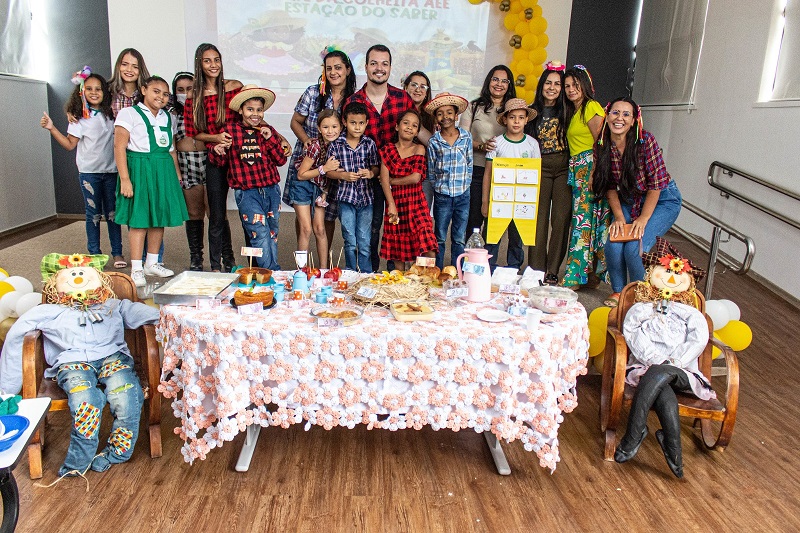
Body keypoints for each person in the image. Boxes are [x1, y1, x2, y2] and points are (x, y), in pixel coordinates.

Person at [0, 253, 159, 477]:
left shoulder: (112, 305)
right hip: (72, 363)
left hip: (113, 359)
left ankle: (117, 451)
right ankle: (78, 460)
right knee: (85, 400)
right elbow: (17, 337)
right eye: (70, 275)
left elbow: (146, 313)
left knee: (127, 394)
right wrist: (6, 387)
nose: (77, 277)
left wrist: (172, 316)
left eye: (84, 274)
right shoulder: (47, 310)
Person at [614, 253, 713, 478]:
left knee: (662, 373)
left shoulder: (691, 313)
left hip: (683, 370)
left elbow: (698, 339)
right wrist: (655, 359)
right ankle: (672, 446)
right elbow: (631, 331)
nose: (670, 279)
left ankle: (633, 435)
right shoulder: (642, 309)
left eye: (677, 274)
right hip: (646, 367)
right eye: (665, 272)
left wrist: (674, 361)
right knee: (659, 380)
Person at [592, 97, 683, 307]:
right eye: (615, 113)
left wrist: (643, 219)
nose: (619, 118)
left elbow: (656, 185)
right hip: (628, 198)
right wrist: (619, 217)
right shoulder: (602, 143)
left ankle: (638, 294)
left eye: (626, 114)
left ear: (634, 120)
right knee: (614, 242)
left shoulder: (645, 141)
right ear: (607, 116)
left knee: (634, 245)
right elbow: (608, 186)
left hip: (662, 199)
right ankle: (618, 291)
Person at [40, 68, 125, 269]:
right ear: (81, 91)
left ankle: (117, 253)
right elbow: (70, 145)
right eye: (89, 89)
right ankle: (94, 254)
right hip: (90, 174)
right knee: (93, 215)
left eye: (98, 89)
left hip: (112, 172)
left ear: (105, 92)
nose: (94, 92)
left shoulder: (112, 115)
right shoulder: (79, 118)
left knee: (113, 214)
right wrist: (52, 127)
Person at [345, 44, 414, 272]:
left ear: (391, 67)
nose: (379, 68)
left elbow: (415, 132)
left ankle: (395, 276)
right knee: (371, 231)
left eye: (384, 63)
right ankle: (372, 275)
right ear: (365, 67)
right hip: (366, 180)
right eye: (374, 63)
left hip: (399, 179)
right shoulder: (353, 102)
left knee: (399, 229)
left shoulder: (402, 98)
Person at [114, 76, 189, 287]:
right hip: (139, 168)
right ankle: (136, 267)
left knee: (159, 217)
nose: (161, 97)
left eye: (165, 94)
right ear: (144, 89)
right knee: (139, 219)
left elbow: (171, 148)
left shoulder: (168, 117)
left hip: (162, 168)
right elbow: (119, 147)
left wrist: (176, 174)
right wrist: (125, 179)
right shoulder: (128, 114)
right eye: (156, 91)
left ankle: (152, 262)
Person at [286, 49, 357, 267]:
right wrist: (308, 140)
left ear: (347, 69)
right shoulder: (312, 92)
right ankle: (303, 266)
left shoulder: (354, 98)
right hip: (308, 161)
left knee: (326, 217)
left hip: (332, 167)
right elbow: (295, 121)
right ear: (324, 72)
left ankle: (323, 267)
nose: (334, 72)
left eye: (338, 67)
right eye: (329, 68)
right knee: (304, 219)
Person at [208, 86, 287, 270]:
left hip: (271, 190)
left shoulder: (267, 130)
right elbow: (217, 160)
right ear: (241, 110)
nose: (255, 114)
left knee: (271, 232)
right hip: (247, 193)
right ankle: (271, 272)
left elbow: (281, 160)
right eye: (250, 109)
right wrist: (218, 150)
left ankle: (269, 270)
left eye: (259, 110)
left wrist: (271, 139)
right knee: (258, 232)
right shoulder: (230, 130)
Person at [184, 43, 243, 273]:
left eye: (216, 59)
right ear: (200, 64)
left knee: (249, 210)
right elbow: (195, 133)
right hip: (215, 158)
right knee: (217, 213)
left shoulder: (234, 87)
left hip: (239, 157)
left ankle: (246, 263)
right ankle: (216, 266)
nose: (213, 65)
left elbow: (249, 115)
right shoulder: (194, 97)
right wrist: (215, 139)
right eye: (208, 61)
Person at [561, 65, 610, 290]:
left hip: (589, 169)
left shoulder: (591, 107)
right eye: (567, 85)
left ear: (585, 84)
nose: (571, 89)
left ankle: (574, 275)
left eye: (575, 84)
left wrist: (593, 174)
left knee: (582, 224)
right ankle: (590, 275)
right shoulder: (574, 110)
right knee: (587, 222)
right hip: (578, 170)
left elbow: (601, 143)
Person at [525, 61, 572, 285]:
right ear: (541, 85)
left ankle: (553, 270)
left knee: (561, 219)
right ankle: (536, 270)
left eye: (557, 84)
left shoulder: (569, 110)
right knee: (538, 219)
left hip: (564, 167)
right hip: (539, 167)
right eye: (548, 83)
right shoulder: (531, 111)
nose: (552, 87)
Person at [480, 98, 540, 271]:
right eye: (512, 117)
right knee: (492, 235)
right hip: (498, 200)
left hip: (522, 201)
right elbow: (488, 173)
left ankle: (513, 268)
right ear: (505, 119)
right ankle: (488, 268)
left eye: (521, 117)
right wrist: (485, 201)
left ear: (526, 120)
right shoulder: (496, 142)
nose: (516, 121)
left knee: (517, 236)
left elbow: (536, 176)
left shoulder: (532, 144)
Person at [460, 66, 517, 245]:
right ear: (488, 81)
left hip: (504, 173)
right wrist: (482, 146)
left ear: (509, 85)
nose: (499, 84)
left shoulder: (512, 110)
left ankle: (489, 263)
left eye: (504, 81)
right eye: (495, 79)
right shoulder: (474, 106)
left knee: (496, 222)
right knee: (474, 220)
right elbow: (462, 139)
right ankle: (469, 262)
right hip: (477, 170)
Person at [379, 109, 438, 268]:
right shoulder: (387, 150)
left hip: (416, 203)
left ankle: (425, 278)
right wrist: (391, 204)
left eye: (414, 126)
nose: (409, 127)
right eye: (406, 123)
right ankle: (402, 286)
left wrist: (393, 180)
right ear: (397, 126)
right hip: (396, 203)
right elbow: (383, 180)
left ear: (417, 132)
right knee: (399, 250)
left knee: (427, 244)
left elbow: (415, 177)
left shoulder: (419, 149)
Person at [326, 102, 380, 272]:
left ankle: (365, 274)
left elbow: (376, 167)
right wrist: (343, 175)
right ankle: (350, 272)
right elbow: (328, 172)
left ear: (367, 123)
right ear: (344, 122)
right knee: (350, 238)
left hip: (366, 199)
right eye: (353, 123)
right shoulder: (336, 145)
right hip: (345, 199)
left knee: (364, 239)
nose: (357, 127)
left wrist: (370, 173)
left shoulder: (369, 144)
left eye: (361, 123)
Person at [425, 93, 473, 269]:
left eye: (449, 112)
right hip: (443, 195)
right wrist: (438, 187)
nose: (445, 117)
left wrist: (466, 185)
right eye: (440, 113)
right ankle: (438, 272)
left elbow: (469, 164)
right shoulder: (434, 142)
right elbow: (431, 170)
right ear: (436, 117)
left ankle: (457, 271)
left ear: (456, 115)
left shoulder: (466, 137)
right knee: (439, 236)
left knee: (459, 237)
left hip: (463, 194)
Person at [295, 109, 343, 270]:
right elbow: (302, 174)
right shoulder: (314, 146)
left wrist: (324, 192)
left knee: (320, 228)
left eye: (334, 127)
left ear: (341, 127)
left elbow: (329, 177)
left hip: (320, 188)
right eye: (326, 127)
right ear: (318, 128)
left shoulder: (338, 146)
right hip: (303, 186)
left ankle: (323, 270)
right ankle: (301, 270)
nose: (331, 131)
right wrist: (324, 168)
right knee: (306, 228)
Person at [171, 71, 208, 271]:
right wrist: (178, 173)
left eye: (190, 88)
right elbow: (171, 147)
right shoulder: (172, 114)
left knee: (214, 212)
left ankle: (220, 257)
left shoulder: (206, 109)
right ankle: (196, 258)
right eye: (181, 90)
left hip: (208, 160)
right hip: (186, 163)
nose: (186, 93)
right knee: (194, 213)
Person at [402, 71, 435, 208]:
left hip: (424, 171)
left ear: (427, 92)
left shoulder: (432, 115)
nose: (418, 89)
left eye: (423, 87)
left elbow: (432, 144)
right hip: (401, 170)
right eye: (414, 85)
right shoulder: (397, 110)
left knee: (422, 214)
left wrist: (412, 124)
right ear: (405, 87)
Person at [108, 48, 150, 118]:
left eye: (135, 67)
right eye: (124, 64)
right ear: (118, 66)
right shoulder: (107, 91)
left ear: (141, 70)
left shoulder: (147, 93)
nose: (129, 70)